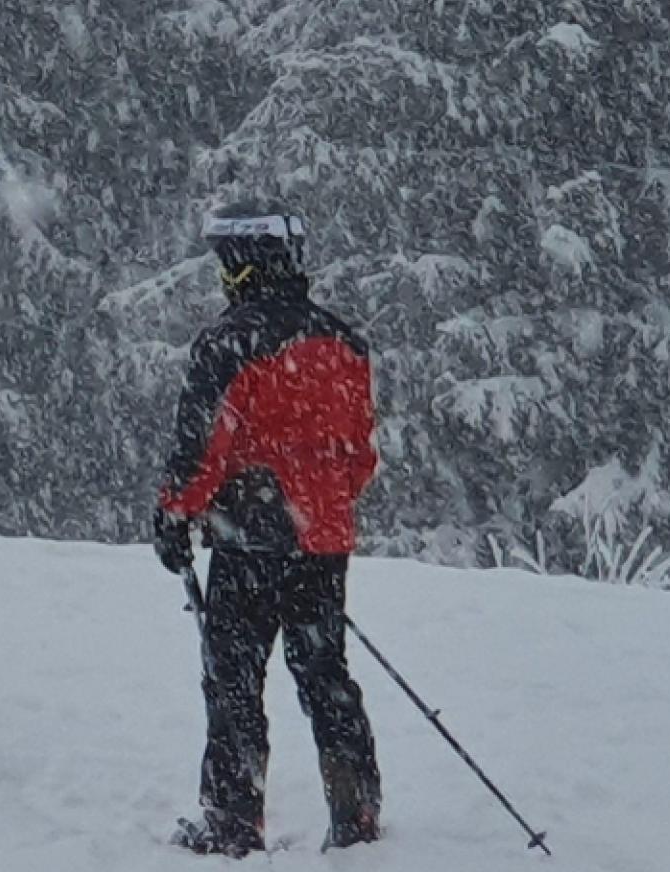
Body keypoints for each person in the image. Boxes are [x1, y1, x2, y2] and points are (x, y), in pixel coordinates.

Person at [154, 201, 382, 857]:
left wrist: (175, 514)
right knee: (326, 677)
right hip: (322, 540)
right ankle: (357, 817)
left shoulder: (230, 342)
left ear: (239, 265)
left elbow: (201, 448)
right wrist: (323, 505)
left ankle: (232, 819)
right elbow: (359, 454)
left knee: (234, 679)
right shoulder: (344, 342)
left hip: (250, 538)